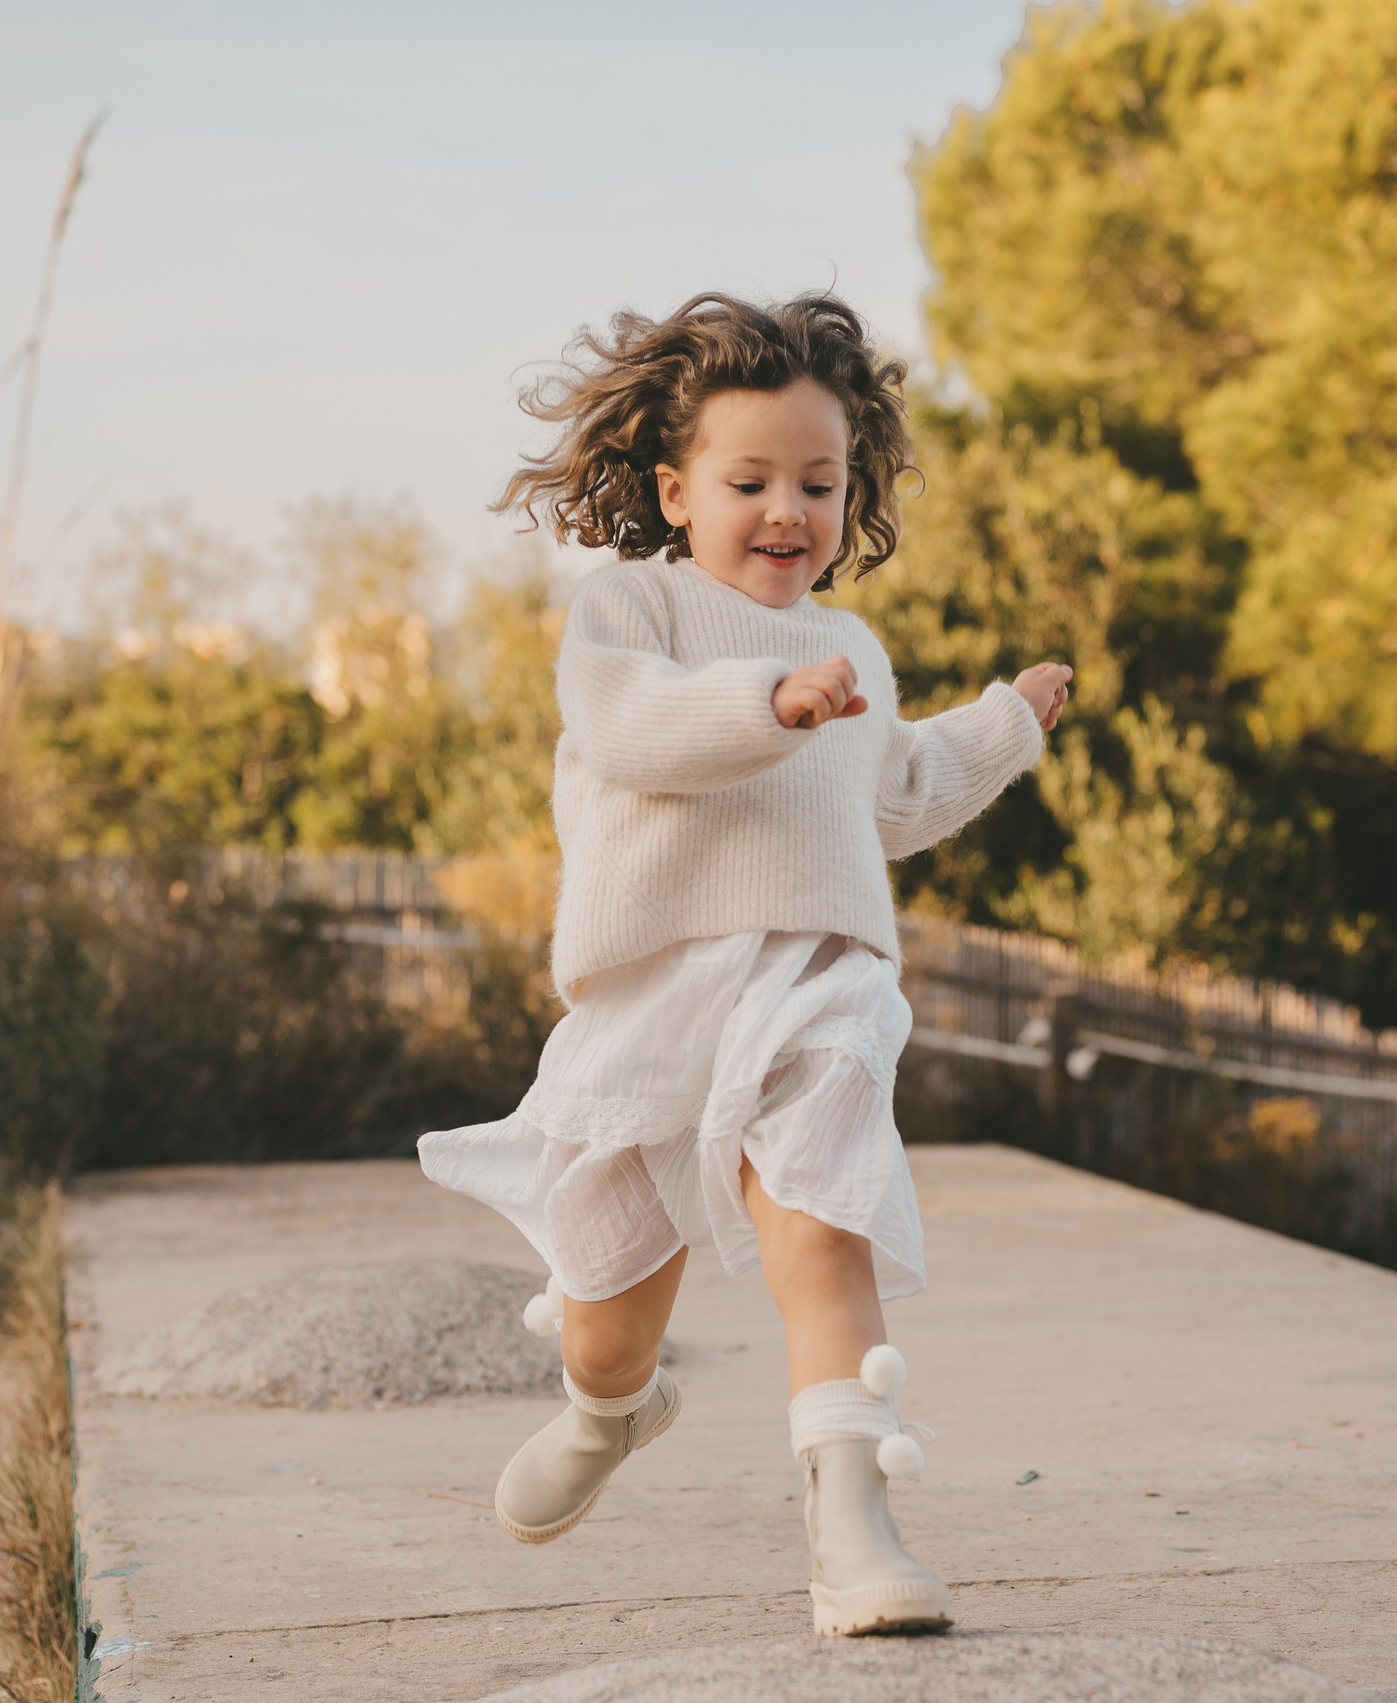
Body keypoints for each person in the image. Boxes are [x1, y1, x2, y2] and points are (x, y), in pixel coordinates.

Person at [417, 292, 1070, 1636]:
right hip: (655, 1001)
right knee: (607, 1308)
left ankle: (855, 1531)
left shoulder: (851, 650)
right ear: (676, 488)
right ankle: (612, 1411)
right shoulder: (632, 612)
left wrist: (1002, 725)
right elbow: (638, 734)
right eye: (751, 480)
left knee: (824, 1233)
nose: (789, 511)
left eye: (821, 484)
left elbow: (890, 793)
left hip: (818, 983)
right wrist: (766, 704)